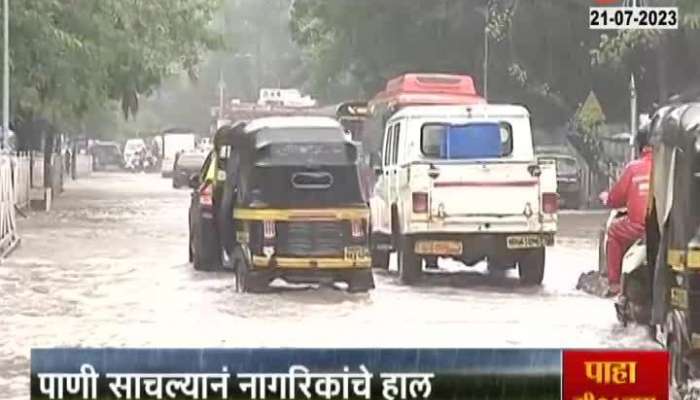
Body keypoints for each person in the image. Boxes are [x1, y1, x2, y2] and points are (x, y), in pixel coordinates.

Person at [600, 130, 652, 296]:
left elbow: (616, 199)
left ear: (639, 147)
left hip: (638, 228)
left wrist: (606, 198)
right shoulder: (669, 166)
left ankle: (614, 284)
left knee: (613, 231)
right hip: (665, 230)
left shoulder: (633, 168)